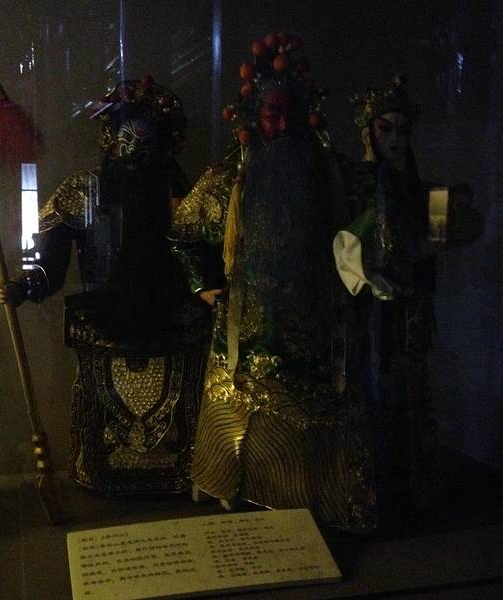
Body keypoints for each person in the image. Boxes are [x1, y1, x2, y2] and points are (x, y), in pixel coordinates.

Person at [170, 33, 376, 532]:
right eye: (271, 114)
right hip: (244, 334)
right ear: (252, 118)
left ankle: (325, 496)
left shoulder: (335, 178)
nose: (281, 125)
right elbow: (182, 235)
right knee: (240, 416)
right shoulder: (227, 181)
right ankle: (229, 483)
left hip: (319, 334)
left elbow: (374, 221)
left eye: (291, 114)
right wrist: (203, 286)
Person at [0, 78, 210, 496]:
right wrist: (25, 286)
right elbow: (50, 265)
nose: (137, 152)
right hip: (102, 326)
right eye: (128, 140)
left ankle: (181, 473)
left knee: (178, 411)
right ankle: (102, 474)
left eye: (147, 143)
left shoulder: (183, 195)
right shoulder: (82, 192)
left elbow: (203, 252)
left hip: (173, 323)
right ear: (111, 140)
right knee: (101, 418)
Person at [333, 77, 484, 529]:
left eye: (403, 130)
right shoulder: (351, 182)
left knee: (410, 390)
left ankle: (409, 484)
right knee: (369, 389)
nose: (396, 140)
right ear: (369, 132)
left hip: (410, 305)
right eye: (386, 129)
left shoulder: (421, 189)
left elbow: (438, 240)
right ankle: (367, 487)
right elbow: (340, 241)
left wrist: (445, 213)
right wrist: (368, 274)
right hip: (367, 307)